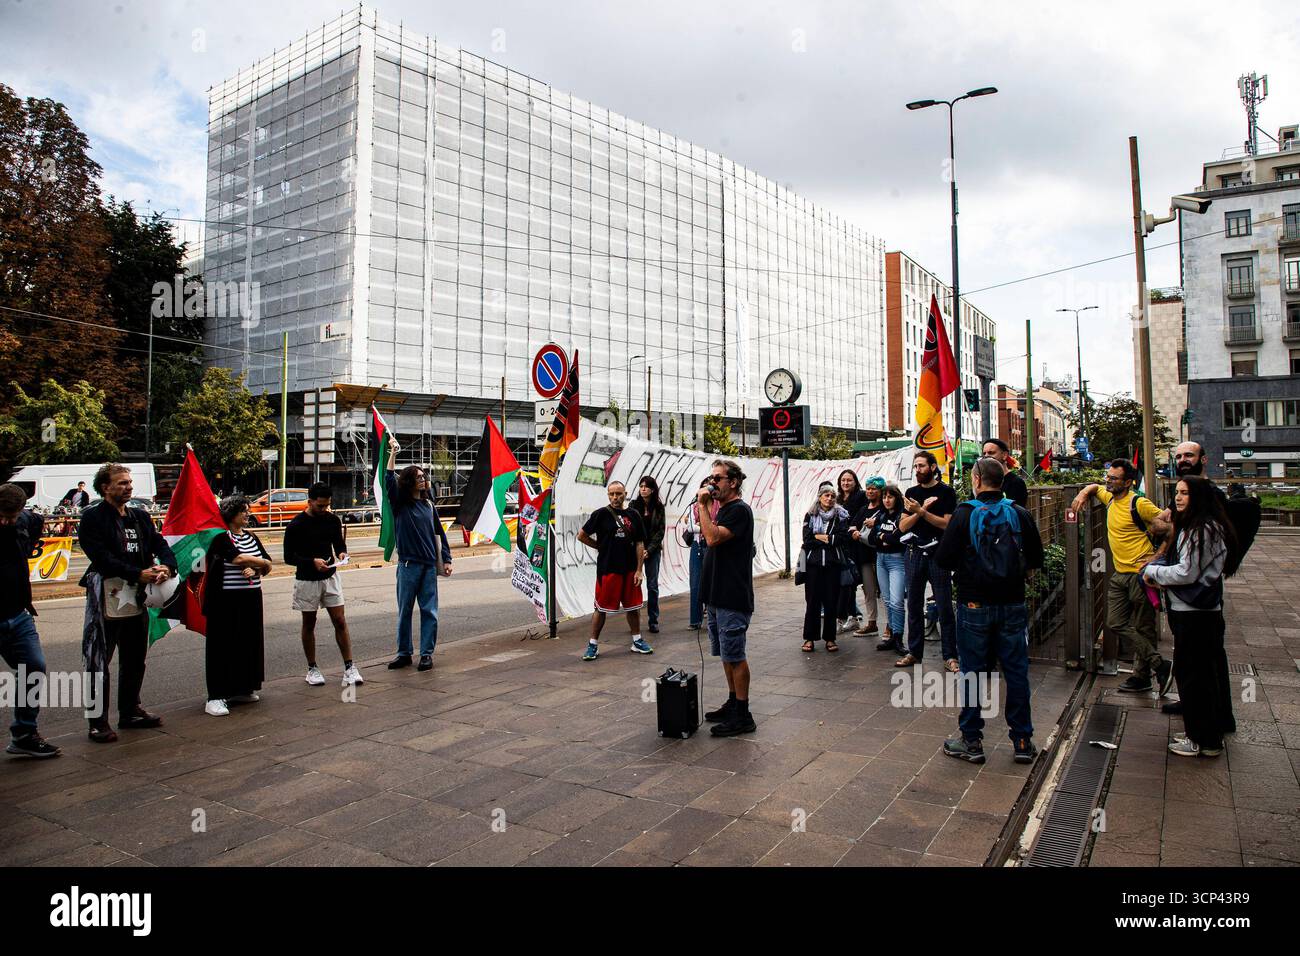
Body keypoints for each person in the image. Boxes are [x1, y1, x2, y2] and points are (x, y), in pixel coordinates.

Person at [938, 457, 1044, 764]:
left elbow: (943, 560)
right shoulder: (1019, 513)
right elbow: (1036, 558)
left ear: (976, 479)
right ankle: (1022, 741)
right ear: (1002, 481)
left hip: (974, 605)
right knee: (1016, 673)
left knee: (972, 672)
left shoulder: (964, 513)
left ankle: (971, 741)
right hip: (1012, 604)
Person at [77, 464, 177, 743]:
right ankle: (97, 722)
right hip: (106, 593)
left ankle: (130, 711)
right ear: (105, 487)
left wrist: (168, 567)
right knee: (99, 659)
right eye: (121, 483)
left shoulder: (139, 516)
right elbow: (99, 556)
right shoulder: (93, 518)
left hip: (138, 595)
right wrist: (137, 573)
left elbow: (160, 544)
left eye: (129, 482)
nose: (128, 487)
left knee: (135, 657)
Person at [1142, 476, 1236, 758]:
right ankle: (1206, 735)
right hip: (1199, 612)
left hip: (1194, 614)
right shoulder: (1205, 526)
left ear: (1199, 497)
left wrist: (1153, 572)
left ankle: (1203, 739)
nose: (1179, 498)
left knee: (1194, 675)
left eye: (1185, 493)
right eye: (1177, 493)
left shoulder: (1200, 529)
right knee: (1198, 674)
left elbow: (1187, 572)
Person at [1071, 460, 1172, 695]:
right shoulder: (1109, 498)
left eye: (1114, 479)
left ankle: (1141, 677)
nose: (1109, 481)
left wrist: (1156, 557)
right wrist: (1086, 491)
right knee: (1115, 622)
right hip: (1119, 574)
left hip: (1141, 575)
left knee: (1144, 627)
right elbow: (1096, 487)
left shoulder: (1139, 503)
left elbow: (1170, 528)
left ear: (1128, 482)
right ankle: (1160, 664)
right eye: (1108, 477)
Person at [0, 484, 60, 757]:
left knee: (33, 667)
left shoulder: (26, 520)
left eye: (11, 516)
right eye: (1, 514)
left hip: (17, 613)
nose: (5, 521)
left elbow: (38, 521)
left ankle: (24, 733)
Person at [383, 440, 453, 672]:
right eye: (419, 477)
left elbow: (439, 534)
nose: (423, 480)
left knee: (429, 610)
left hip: (428, 567)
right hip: (408, 565)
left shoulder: (429, 506)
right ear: (409, 481)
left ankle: (426, 654)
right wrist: (393, 452)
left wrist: (447, 558)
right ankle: (404, 654)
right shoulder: (400, 504)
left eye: (424, 477)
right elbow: (388, 479)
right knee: (405, 611)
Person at [699, 459, 757, 737]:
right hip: (716, 595)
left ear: (732, 482)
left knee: (735, 654)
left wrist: (702, 506)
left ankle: (743, 715)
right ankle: (733, 702)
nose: (713, 483)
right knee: (724, 652)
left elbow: (712, 538)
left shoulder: (739, 511)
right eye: (711, 478)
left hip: (733, 596)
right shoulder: (722, 510)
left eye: (717, 479)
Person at [284, 482, 360, 687]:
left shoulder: (333, 520)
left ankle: (350, 667)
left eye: (327, 505)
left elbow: (339, 543)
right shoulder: (296, 525)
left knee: (340, 620)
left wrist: (342, 554)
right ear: (309, 502)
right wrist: (311, 562)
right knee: (309, 623)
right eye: (320, 506)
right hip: (307, 579)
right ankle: (312, 668)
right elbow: (288, 557)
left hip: (330, 577)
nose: (324, 509)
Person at [202, 496, 271, 716]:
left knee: (248, 642)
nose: (247, 514)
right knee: (222, 646)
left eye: (247, 510)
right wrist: (261, 563)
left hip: (250, 597)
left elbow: (267, 563)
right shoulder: (221, 538)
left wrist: (259, 568)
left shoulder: (252, 537)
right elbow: (238, 559)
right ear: (231, 514)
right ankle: (216, 696)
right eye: (243, 511)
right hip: (225, 600)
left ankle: (242, 688)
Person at [577, 480, 654, 660]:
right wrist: (600, 546)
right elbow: (581, 535)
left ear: (625, 494)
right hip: (608, 570)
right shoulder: (601, 514)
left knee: (633, 608)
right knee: (601, 609)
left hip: (629, 570)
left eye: (619, 494)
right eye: (612, 494)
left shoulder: (634, 515)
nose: (615, 497)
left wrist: (639, 570)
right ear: (608, 495)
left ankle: (637, 640)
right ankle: (593, 645)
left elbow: (640, 543)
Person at [898, 452, 958, 671]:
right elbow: (903, 527)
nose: (917, 470)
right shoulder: (911, 493)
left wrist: (920, 512)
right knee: (913, 604)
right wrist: (920, 511)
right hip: (914, 554)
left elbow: (946, 525)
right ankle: (914, 652)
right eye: (915, 466)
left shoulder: (946, 492)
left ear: (933, 467)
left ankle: (950, 655)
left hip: (938, 554)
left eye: (921, 466)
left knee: (944, 606)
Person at [801, 482, 849, 653]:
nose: (829, 498)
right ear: (819, 497)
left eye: (832, 496)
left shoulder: (841, 516)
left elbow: (842, 538)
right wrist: (828, 538)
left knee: (831, 602)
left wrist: (821, 537)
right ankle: (809, 638)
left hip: (832, 565)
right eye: (826, 495)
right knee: (812, 602)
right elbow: (807, 539)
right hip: (813, 565)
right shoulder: (810, 515)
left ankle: (830, 638)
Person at [867, 484, 908, 654]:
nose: (886, 500)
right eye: (884, 497)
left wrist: (884, 537)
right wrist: (884, 538)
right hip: (881, 560)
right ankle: (892, 635)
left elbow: (899, 538)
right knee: (888, 600)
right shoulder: (881, 516)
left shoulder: (901, 515)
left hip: (897, 560)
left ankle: (898, 637)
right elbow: (871, 538)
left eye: (890, 497)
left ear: (897, 498)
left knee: (897, 601)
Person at [848, 476, 884, 636]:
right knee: (869, 590)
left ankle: (891, 627)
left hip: (882, 555)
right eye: (868, 488)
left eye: (874, 489)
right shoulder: (863, 509)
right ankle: (872, 623)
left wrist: (876, 523)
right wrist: (854, 532)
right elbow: (853, 524)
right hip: (865, 556)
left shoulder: (885, 508)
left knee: (887, 593)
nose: (870, 491)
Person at [631, 475, 666, 634]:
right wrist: (639, 549)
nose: (643, 489)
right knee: (634, 584)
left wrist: (649, 550)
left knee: (652, 586)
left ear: (652, 489)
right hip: (635, 549)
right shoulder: (633, 505)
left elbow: (660, 531)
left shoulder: (658, 507)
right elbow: (630, 528)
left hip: (652, 551)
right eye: (641, 486)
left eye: (646, 486)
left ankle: (653, 620)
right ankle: (634, 620)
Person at [834, 469, 868, 632]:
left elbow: (862, 516)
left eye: (849, 480)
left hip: (855, 544)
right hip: (841, 545)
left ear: (855, 482)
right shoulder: (838, 498)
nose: (846, 483)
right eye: (843, 480)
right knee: (846, 582)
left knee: (851, 582)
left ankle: (849, 617)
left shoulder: (861, 496)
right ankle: (851, 616)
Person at [681, 478, 716, 630]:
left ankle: (713, 618)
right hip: (697, 545)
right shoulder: (693, 506)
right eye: (702, 487)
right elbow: (690, 528)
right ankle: (695, 620)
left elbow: (718, 526)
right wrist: (704, 527)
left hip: (713, 546)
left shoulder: (718, 506)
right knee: (695, 583)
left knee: (713, 582)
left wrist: (700, 526)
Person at [982, 438, 1027, 507]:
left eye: (991, 453)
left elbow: (1017, 511)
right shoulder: (980, 481)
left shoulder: (1016, 482)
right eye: (984, 453)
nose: (986, 456)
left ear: (1004, 455)